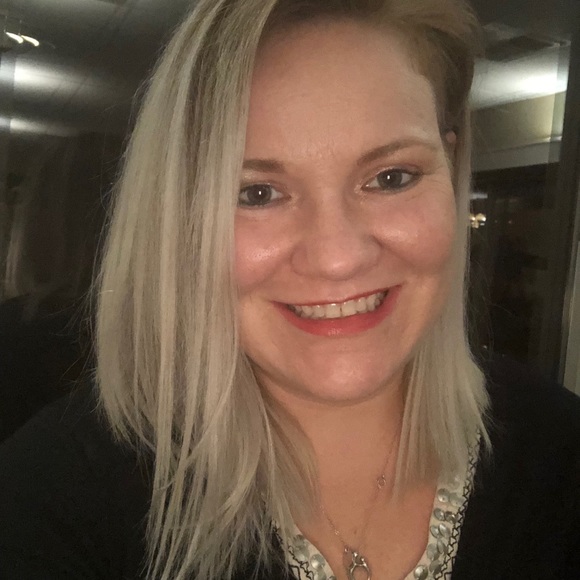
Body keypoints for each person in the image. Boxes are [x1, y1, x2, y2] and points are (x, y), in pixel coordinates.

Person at [0, 0, 579, 579]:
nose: (337, 257)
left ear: (450, 171)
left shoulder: (558, 449)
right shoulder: (55, 495)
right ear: (180, 220)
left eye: (391, 177)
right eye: (257, 193)